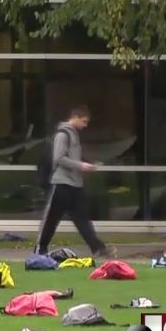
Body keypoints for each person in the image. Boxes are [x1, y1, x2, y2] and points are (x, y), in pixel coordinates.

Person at [35, 105, 117, 258]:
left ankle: (98, 248)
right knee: (51, 219)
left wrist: (85, 166)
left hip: (75, 185)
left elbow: (71, 159)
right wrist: (80, 165)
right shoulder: (63, 134)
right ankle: (40, 249)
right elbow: (59, 158)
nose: (85, 125)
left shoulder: (74, 135)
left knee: (82, 219)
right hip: (61, 184)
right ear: (75, 117)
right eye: (84, 121)